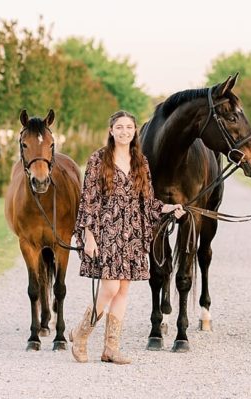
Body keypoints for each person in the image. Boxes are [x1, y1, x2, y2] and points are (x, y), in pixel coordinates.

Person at [69, 110, 185, 364]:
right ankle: (81, 334)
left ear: (135, 132)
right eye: (119, 127)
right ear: (111, 130)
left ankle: (111, 348)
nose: (124, 132)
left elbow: (147, 200)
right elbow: (88, 200)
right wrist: (88, 235)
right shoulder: (98, 159)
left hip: (132, 232)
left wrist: (167, 208)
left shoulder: (140, 161)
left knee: (123, 289)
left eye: (129, 127)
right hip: (106, 230)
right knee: (110, 286)